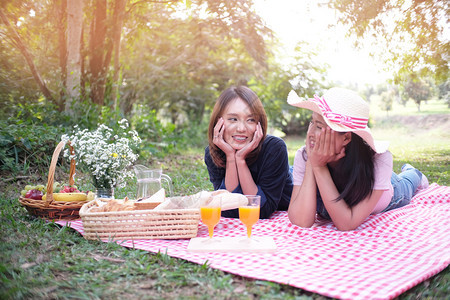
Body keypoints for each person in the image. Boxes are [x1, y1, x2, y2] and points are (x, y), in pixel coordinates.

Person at [287, 87, 429, 231]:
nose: (310, 133)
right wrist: (312, 163)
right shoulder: (304, 156)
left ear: (347, 137)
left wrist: (319, 167)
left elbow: (346, 224)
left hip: (388, 193)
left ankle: (413, 172)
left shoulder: (379, 160)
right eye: (312, 122)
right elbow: (301, 221)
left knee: (408, 182)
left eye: (318, 126)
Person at [204, 86, 293, 219]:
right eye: (233, 119)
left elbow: (261, 211)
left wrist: (240, 160)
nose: (241, 128)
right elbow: (227, 209)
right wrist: (231, 157)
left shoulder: (274, 148)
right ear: (218, 121)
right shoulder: (213, 153)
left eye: (250, 120)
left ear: (259, 124)